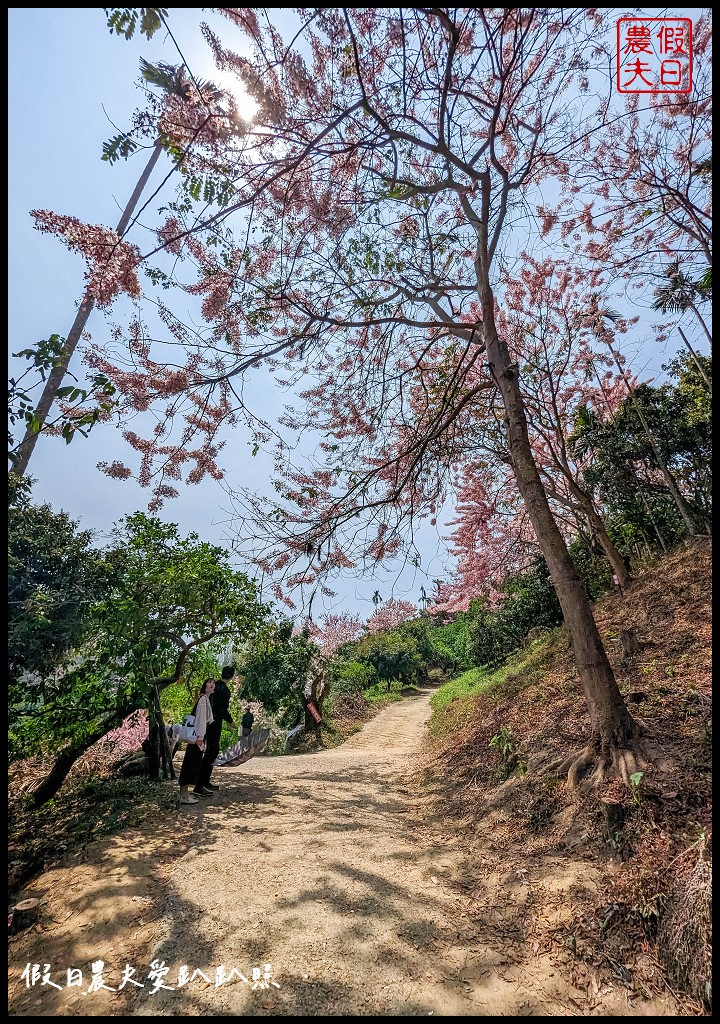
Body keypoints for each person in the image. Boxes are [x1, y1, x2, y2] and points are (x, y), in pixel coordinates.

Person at [198, 666, 237, 792]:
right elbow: (222, 709)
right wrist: (230, 721)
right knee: (212, 751)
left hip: (205, 722)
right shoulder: (224, 690)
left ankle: (204, 781)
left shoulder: (213, 686)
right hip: (215, 723)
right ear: (231, 677)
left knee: (207, 750)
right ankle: (202, 783)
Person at [177, 678, 215, 804]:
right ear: (205, 685)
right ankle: (184, 795)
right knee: (190, 764)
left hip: (197, 737)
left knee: (191, 763)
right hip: (197, 738)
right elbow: (200, 719)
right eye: (209, 682)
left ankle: (184, 793)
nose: (212, 684)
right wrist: (200, 737)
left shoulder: (205, 699)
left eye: (213, 683)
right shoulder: (203, 700)